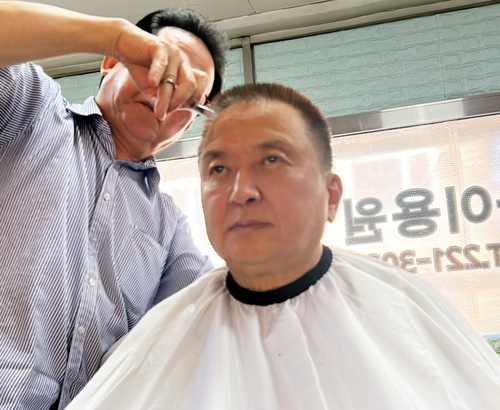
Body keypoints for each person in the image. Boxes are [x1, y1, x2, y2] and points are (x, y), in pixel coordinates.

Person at [66, 83, 500, 409]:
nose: (241, 191)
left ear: (331, 195)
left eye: (271, 160)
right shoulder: (161, 335)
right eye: (218, 169)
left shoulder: (407, 306)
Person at [0, 1, 227, 408]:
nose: (167, 97)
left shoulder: (168, 226)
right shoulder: (32, 111)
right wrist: (115, 35)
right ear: (110, 62)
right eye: (161, 70)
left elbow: (215, 318)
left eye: (189, 95)